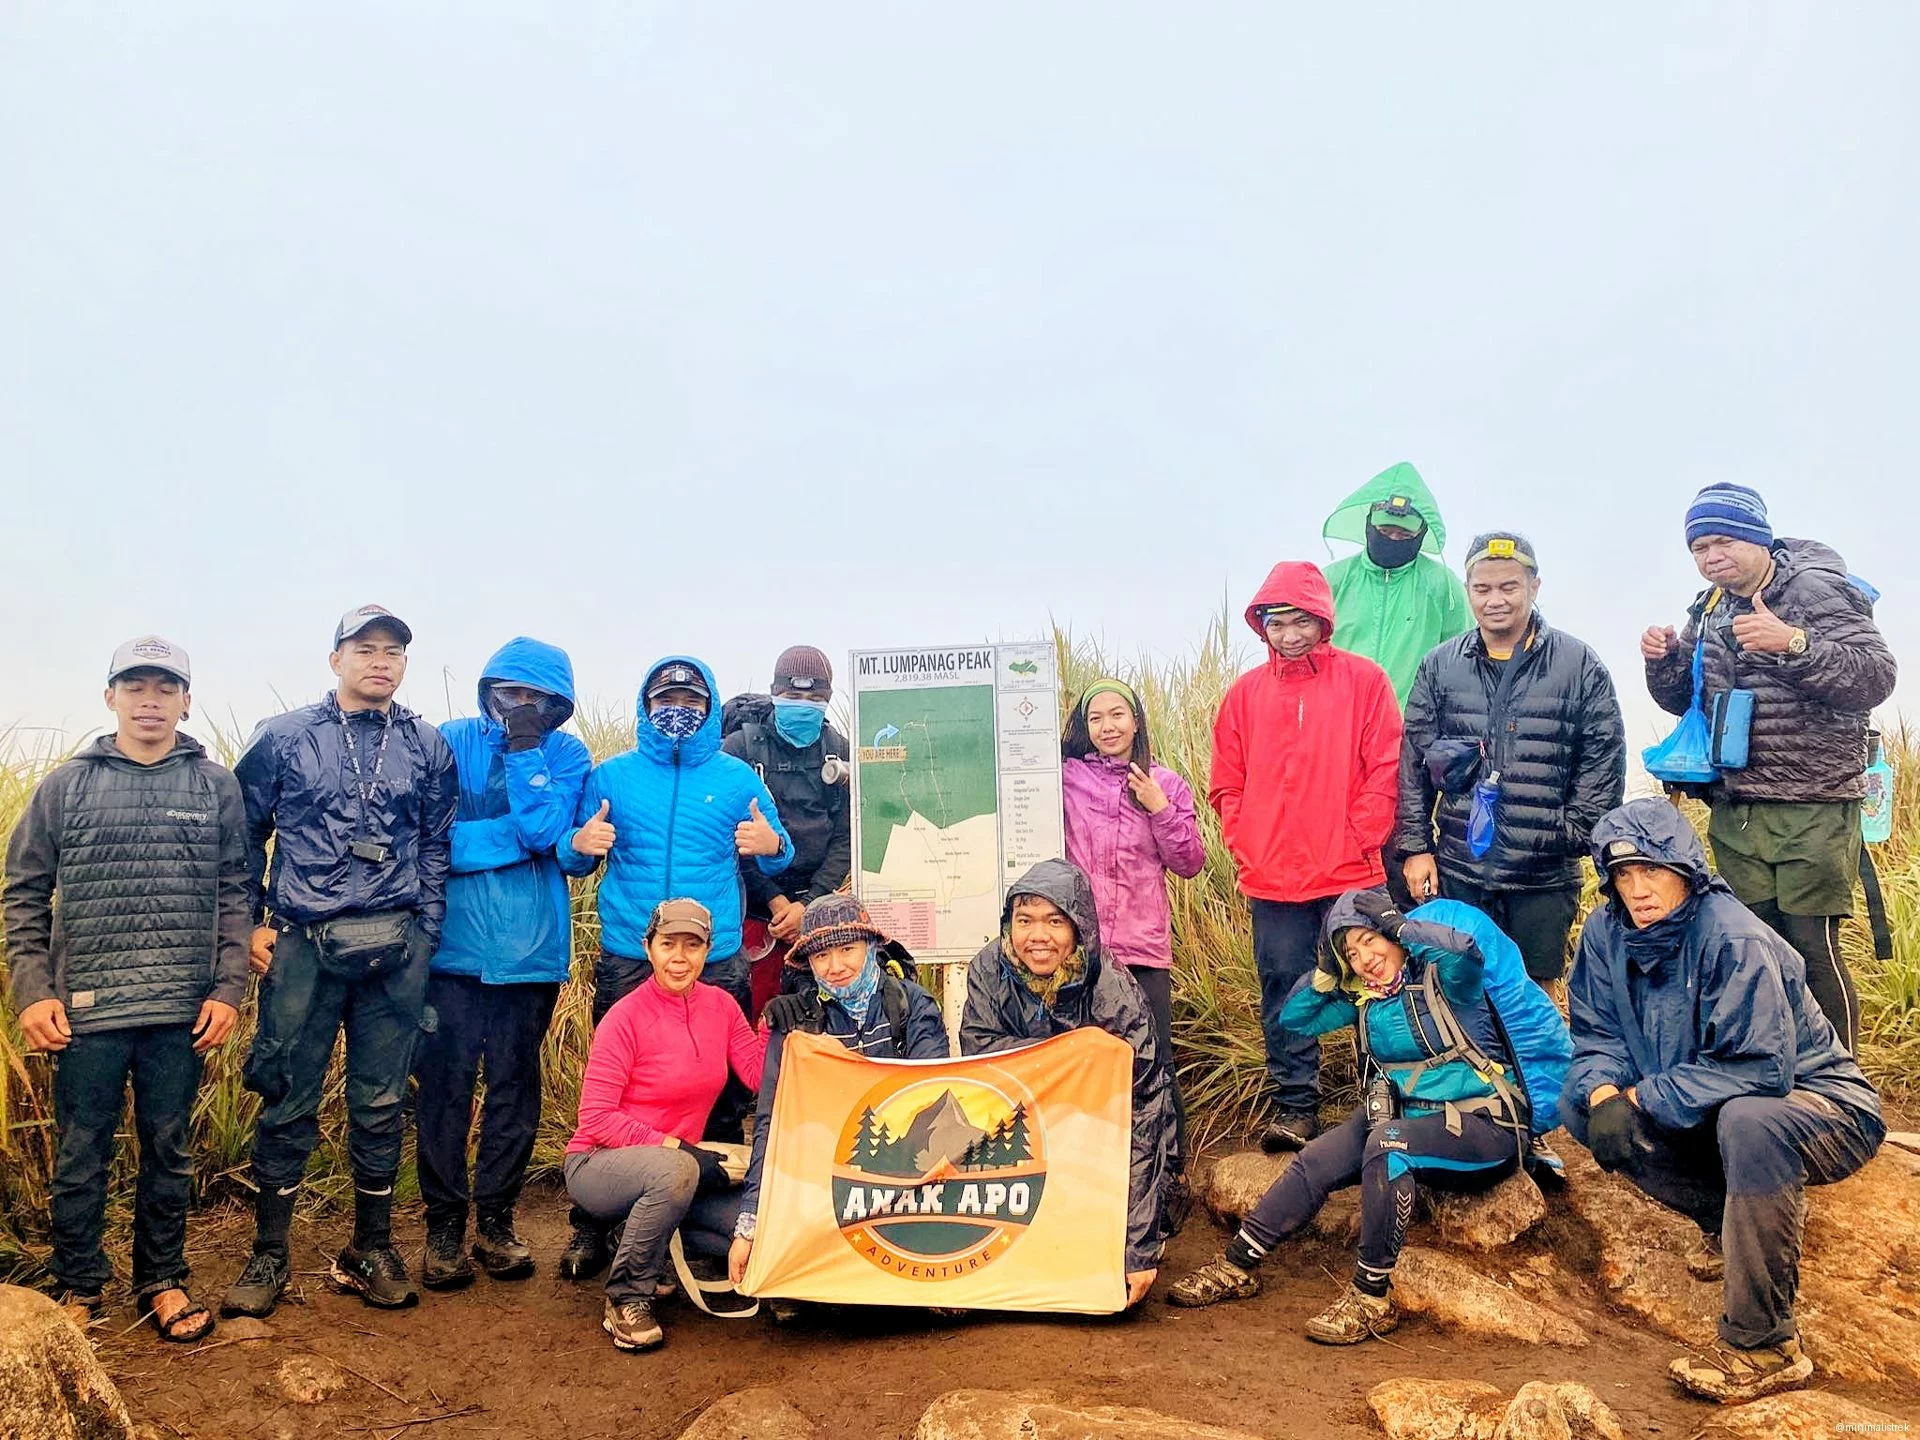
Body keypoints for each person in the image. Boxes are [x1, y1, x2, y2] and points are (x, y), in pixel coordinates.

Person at [1561, 798, 1883, 1404]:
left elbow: (1761, 1068)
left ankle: (1765, 1346)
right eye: (1624, 875)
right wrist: (1606, 1091)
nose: (1639, 890)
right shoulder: (1607, 933)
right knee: (1580, 1109)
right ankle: (1725, 1221)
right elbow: (1597, 1035)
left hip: (1820, 1104)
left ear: (1684, 869)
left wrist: (1643, 1094)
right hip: (1708, 1093)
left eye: (1652, 871)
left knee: (1749, 1122)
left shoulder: (1733, 937)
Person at [1167, 890, 1569, 1344]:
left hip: (1484, 1124)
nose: (1365, 959)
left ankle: (1371, 1296)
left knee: (1388, 1144)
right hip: (1411, 1115)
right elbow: (1295, 1017)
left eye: (1368, 941)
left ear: (1390, 931)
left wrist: (1400, 928)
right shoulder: (1364, 999)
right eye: (1352, 955)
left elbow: (1466, 949)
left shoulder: (1449, 978)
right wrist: (1329, 967)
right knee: (1317, 1158)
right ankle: (1237, 1264)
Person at [4, 637, 249, 1341]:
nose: (150, 701)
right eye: (135, 687)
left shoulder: (213, 786)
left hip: (181, 1008)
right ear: (109, 696)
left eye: (165, 688)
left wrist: (229, 988)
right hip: (85, 1011)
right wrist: (33, 992)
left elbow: (236, 895)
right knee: (83, 1151)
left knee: (168, 1150)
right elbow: (23, 895)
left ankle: (163, 1281)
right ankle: (78, 1286)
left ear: (185, 701)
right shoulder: (66, 786)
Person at [223, 605, 458, 1318]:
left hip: (396, 948)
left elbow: (436, 844)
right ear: (336, 660)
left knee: (381, 1103)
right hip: (301, 944)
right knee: (287, 1099)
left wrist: (427, 933)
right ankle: (270, 1255)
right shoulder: (284, 738)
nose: (380, 661)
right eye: (365, 649)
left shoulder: (426, 744)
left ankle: (371, 1247)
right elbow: (241, 840)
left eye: (393, 651)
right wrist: (250, 926)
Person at [555, 654, 791, 1280]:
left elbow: (779, 850)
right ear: (645, 706)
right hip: (633, 957)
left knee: (722, 1093)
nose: (676, 712)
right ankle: (591, 1226)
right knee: (618, 1094)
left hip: (716, 961)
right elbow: (574, 853)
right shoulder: (614, 776)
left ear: (711, 707)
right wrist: (578, 846)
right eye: (665, 701)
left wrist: (771, 848)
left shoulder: (738, 777)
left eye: (690, 701)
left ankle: (696, 1226)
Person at [1641, 485, 1897, 1052]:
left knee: (1812, 947)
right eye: (1699, 548)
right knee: (1755, 946)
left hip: (1815, 802)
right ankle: (1779, 1069)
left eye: (1723, 541)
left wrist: (1795, 643)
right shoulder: (1709, 606)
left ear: (1757, 536)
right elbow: (1684, 697)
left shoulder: (1815, 590)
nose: (1711, 557)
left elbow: (1875, 677)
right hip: (1737, 806)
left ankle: (1841, 1087)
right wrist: (1661, 662)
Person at [414, 638, 591, 1290]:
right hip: (450, 951)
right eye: (512, 693)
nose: (524, 706)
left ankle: (496, 1221)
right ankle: (441, 1226)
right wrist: (515, 839)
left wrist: (524, 755)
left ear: (557, 705)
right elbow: (431, 841)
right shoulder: (446, 741)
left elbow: (551, 831)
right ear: (489, 688)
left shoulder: (567, 754)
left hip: (531, 954)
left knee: (515, 1089)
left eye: (539, 699)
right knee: (444, 1089)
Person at [1209, 561, 1402, 1152]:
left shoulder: (1365, 682)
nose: (1289, 634)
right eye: (1276, 622)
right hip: (1272, 879)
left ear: (1323, 620)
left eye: (1301, 621)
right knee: (1284, 989)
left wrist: (1357, 835)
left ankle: (1385, 1096)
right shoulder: (1244, 695)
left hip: (1350, 872)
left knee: (1378, 983)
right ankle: (1295, 1107)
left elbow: (1387, 767)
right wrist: (1248, 841)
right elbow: (1225, 782)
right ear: (1261, 625)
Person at [1396, 532, 1625, 986]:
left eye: (1508, 587)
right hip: (1461, 869)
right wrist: (1416, 846)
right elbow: (1413, 762)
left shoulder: (1579, 665)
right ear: (1468, 591)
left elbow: (1603, 757)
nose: (1494, 600)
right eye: (1482, 589)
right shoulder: (1440, 665)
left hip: (1542, 878)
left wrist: (1568, 834)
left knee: (1533, 999)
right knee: (1459, 994)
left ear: (1534, 587)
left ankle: (1528, 1061)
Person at [958, 858, 1177, 1308]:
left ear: (1079, 929)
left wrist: (1138, 1251)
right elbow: (980, 1062)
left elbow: (1144, 1116)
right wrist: (1063, 1061)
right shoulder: (988, 969)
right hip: (1023, 1124)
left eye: (1054, 922)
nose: (1037, 937)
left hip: (1103, 1138)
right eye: (1024, 921)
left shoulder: (1114, 993)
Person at [564, 899, 764, 1353]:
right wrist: (675, 1147)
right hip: (598, 1164)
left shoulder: (722, 1008)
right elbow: (595, 1118)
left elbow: (755, 1074)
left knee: (757, 1218)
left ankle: (643, 1241)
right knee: (675, 1172)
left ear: (708, 950)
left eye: (692, 945)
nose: (680, 957)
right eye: (668, 944)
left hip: (676, 1170)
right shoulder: (625, 1018)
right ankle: (626, 1297)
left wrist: (774, 1024)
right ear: (648, 948)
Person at [726, 894, 949, 1292]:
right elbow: (772, 1123)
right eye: (822, 956)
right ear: (808, 964)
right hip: (824, 1167)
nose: (836, 966)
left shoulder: (911, 1004)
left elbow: (932, 1102)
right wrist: (750, 1223)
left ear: (871, 948)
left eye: (848, 949)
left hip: (907, 1162)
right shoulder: (794, 1020)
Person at [1061, 678, 1205, 1177]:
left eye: (1117, 715)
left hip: (1144, 949)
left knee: (1154, 1058)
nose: (1107, 727)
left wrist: (1158, 808)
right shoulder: (1064, 778)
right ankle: (1089, 1168)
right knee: (1082, 1058)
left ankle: (1169, 1170)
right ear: (1084, 726)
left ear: (1136, 720)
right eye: (1096, 718)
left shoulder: (1165, 783)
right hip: (1080, 949)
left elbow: (1189, 861)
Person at [719, 644, 852, 1014]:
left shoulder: (839, 751)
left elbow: (845, 838)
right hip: (754, 909)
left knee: (818, 1015)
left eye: (815, 696)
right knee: (752, 1016)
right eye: (793, 695)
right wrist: (776, 900)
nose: (803, 703)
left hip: (820, 905)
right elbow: (729, 837)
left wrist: (807, 908)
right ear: (775, 692)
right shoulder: (740, 749)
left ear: (828, 698)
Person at [1321, 462, 1473, 706]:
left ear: (1422, 533)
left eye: (1404, 534)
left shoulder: (1444, 587)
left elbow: (1463, 663)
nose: (1393, 539)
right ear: (1369, 523)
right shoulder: (1331, 581)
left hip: (1411, 729)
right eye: (1385, 530)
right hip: (1336, 721)